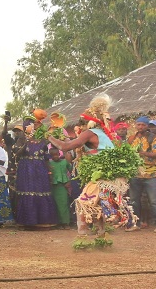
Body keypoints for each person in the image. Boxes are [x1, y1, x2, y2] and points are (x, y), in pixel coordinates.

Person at [48, 94, 137, 246]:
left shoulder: (89, 133)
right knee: (95, 206)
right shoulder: (109, 135)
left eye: (84, 120)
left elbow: (65, 147)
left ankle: (82, 240)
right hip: (111, 178)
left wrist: (48, 136)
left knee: (82, 204)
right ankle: (102, 237)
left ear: (91, 121)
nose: (82, 123)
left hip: (101, 177)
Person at [14, 113, 58, 229]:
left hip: (40, 171)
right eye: (27, 126)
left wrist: (50, 172)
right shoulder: (21, 139)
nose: (30, 127)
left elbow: (46, 157)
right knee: (27, 192)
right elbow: (17, 154)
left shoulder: (42, 141)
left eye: (32, 125)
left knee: (41, 191)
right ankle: (27, 222)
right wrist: (26, 142)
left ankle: (42, 222)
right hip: (26, 171)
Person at [126, 116, 156, 231]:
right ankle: (135, 224)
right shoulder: (131, 139)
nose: (140, 127)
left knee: (154, 201)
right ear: (135, 125)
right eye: (138, 124)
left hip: (151, 174)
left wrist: (142, 153)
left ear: (147, 126)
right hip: (135, 174)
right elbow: (127, 153)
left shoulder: (153, 138)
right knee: (134, 200)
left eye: (143, 125)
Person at [48, 147, 72, 229]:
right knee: (55, 205)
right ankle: (57, 223)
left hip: (63, 186)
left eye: (56, 155)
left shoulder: (65, 162)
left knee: (63, 204)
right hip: (52, 186)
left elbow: (72, 171)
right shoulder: (49, 163)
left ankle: (66, 223)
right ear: (50, 156)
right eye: (53, 155)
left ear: (59, 154)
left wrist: (69, 181)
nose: (55, 156)